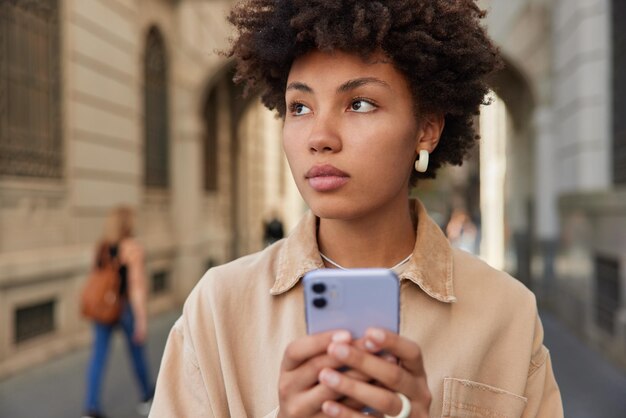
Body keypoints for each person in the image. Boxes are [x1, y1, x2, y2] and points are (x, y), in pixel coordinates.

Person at [151, 1, 563, 417]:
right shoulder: (218, 309)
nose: (320, 137)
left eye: (360, 104)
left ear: (427, 129)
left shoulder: (506, 313)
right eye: (300, 107)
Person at [82, 206, 154, 418]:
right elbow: (136, 287)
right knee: (137, 354)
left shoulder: (102, 246)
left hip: (103, 309)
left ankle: (91, 408)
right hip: (125, 308)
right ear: (128, 224)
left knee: (98, 357)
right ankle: (147, 399)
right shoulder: (133, 248)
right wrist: (141, 320)